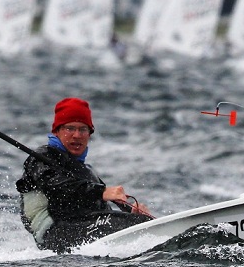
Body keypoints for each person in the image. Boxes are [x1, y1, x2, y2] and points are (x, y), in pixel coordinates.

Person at [16, 97, 152, 253]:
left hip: (80, 226)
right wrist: (101, 192)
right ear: (57, 131)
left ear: (89, 134)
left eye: (83, 129)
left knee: (139, 220)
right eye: (70, 128)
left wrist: (131, 211)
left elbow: (100, 209)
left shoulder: (86, 170)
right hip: (53, 233)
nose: (77, 135)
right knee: (133, 224)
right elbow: (58, 187)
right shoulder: (40, 158)